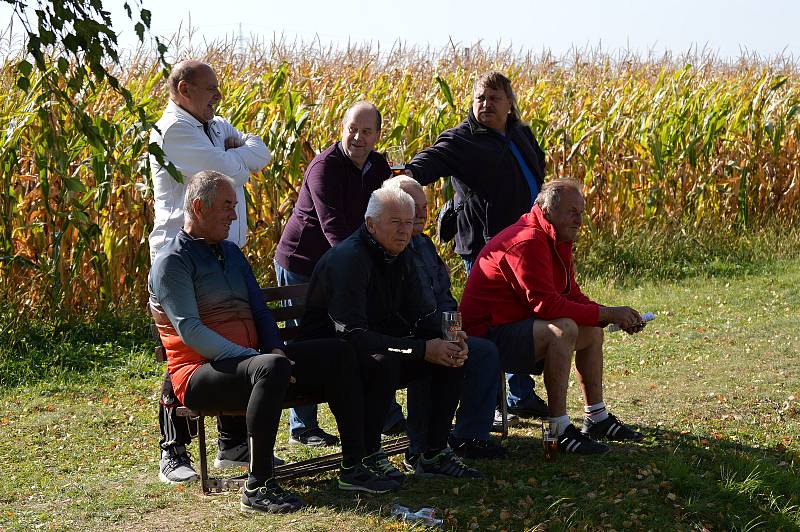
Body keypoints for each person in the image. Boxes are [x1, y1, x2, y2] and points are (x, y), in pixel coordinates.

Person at [149, 172, 399, 514]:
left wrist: (277, 350)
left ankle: (353, 466)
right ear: (197, 206)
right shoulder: (172, 262)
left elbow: (260, 311)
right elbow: (191, 331)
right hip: (199, 375)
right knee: (270, 367)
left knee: (338, 352)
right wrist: (256, 358)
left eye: (234, 207)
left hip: (253, 365)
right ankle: (258, 486)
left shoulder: (232, 254)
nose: (234, 216)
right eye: (227, 207)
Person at [297, 186, 483, 479]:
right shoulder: (349, 260)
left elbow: (423, 310)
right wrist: (422, 349)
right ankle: (369, 454)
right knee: (385, 364)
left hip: (377, 346)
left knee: (449, 358)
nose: (404, 230)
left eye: (408, 223)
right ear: (371, 224)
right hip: (331, 356)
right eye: (395, 222)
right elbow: (352, 335)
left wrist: (451, 336)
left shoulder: (402, 253)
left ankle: (434, 452)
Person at [148, 60, 271, 484]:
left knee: (232, 330)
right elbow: (232, 171)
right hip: (180, 254)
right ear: (183, 89)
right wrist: (236, 159)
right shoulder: (175, 131)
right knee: (184, 348)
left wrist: (234, 155)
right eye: (210, 89)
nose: (218, 96)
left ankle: (231, 444)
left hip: (223, 251)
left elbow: (262, 153)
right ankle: (173, 450)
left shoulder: (213, 125)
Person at [460, 178, 646, 454]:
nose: (580, 220)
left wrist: (609, 316)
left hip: (515, 325)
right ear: (548, 209)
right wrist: (606, 313)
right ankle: (558, 428)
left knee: (592, 329)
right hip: (486, 335)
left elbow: (570, 295)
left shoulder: (555, 238)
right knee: (564, 329)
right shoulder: (528, 241)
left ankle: (596, 416)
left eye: (581, 212)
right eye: (573, 212)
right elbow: (546, 306)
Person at [404, 71, 548, 424]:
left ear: (509, 103)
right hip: (485, 248)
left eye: (494, 98)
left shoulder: (520, 134)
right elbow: (427, 162)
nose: (485, 105)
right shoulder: (462, 140)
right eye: (480, 98)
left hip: (525, 244)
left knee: (523, 315)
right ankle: (496, 402)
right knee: (488, 321)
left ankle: (520, 393)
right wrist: (403, 180)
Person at [274, 101, 397, 446]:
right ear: (342, 127)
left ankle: (385, 412)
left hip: (346, 261)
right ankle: (303, 426)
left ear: (377, 135)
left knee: (362, 329)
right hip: (303, 261)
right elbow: (334, 229)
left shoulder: (380, 167)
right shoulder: (323, 168)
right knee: (305, 336)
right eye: (352, 129)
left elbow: (386, 208)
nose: (357, 137)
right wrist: (369, 267)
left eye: (366, 131)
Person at [381, 176, 506, 463]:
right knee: (432, 356)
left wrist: (455, 334)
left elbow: (446, 297)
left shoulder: (424, 245)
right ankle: (421, 445)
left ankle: (469, 436)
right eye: (415, 206)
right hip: (405, 340)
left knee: (484, 351)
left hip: (437, 332)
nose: (423, 213)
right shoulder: (389, 251)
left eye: (425, 206)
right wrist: (436, 338)